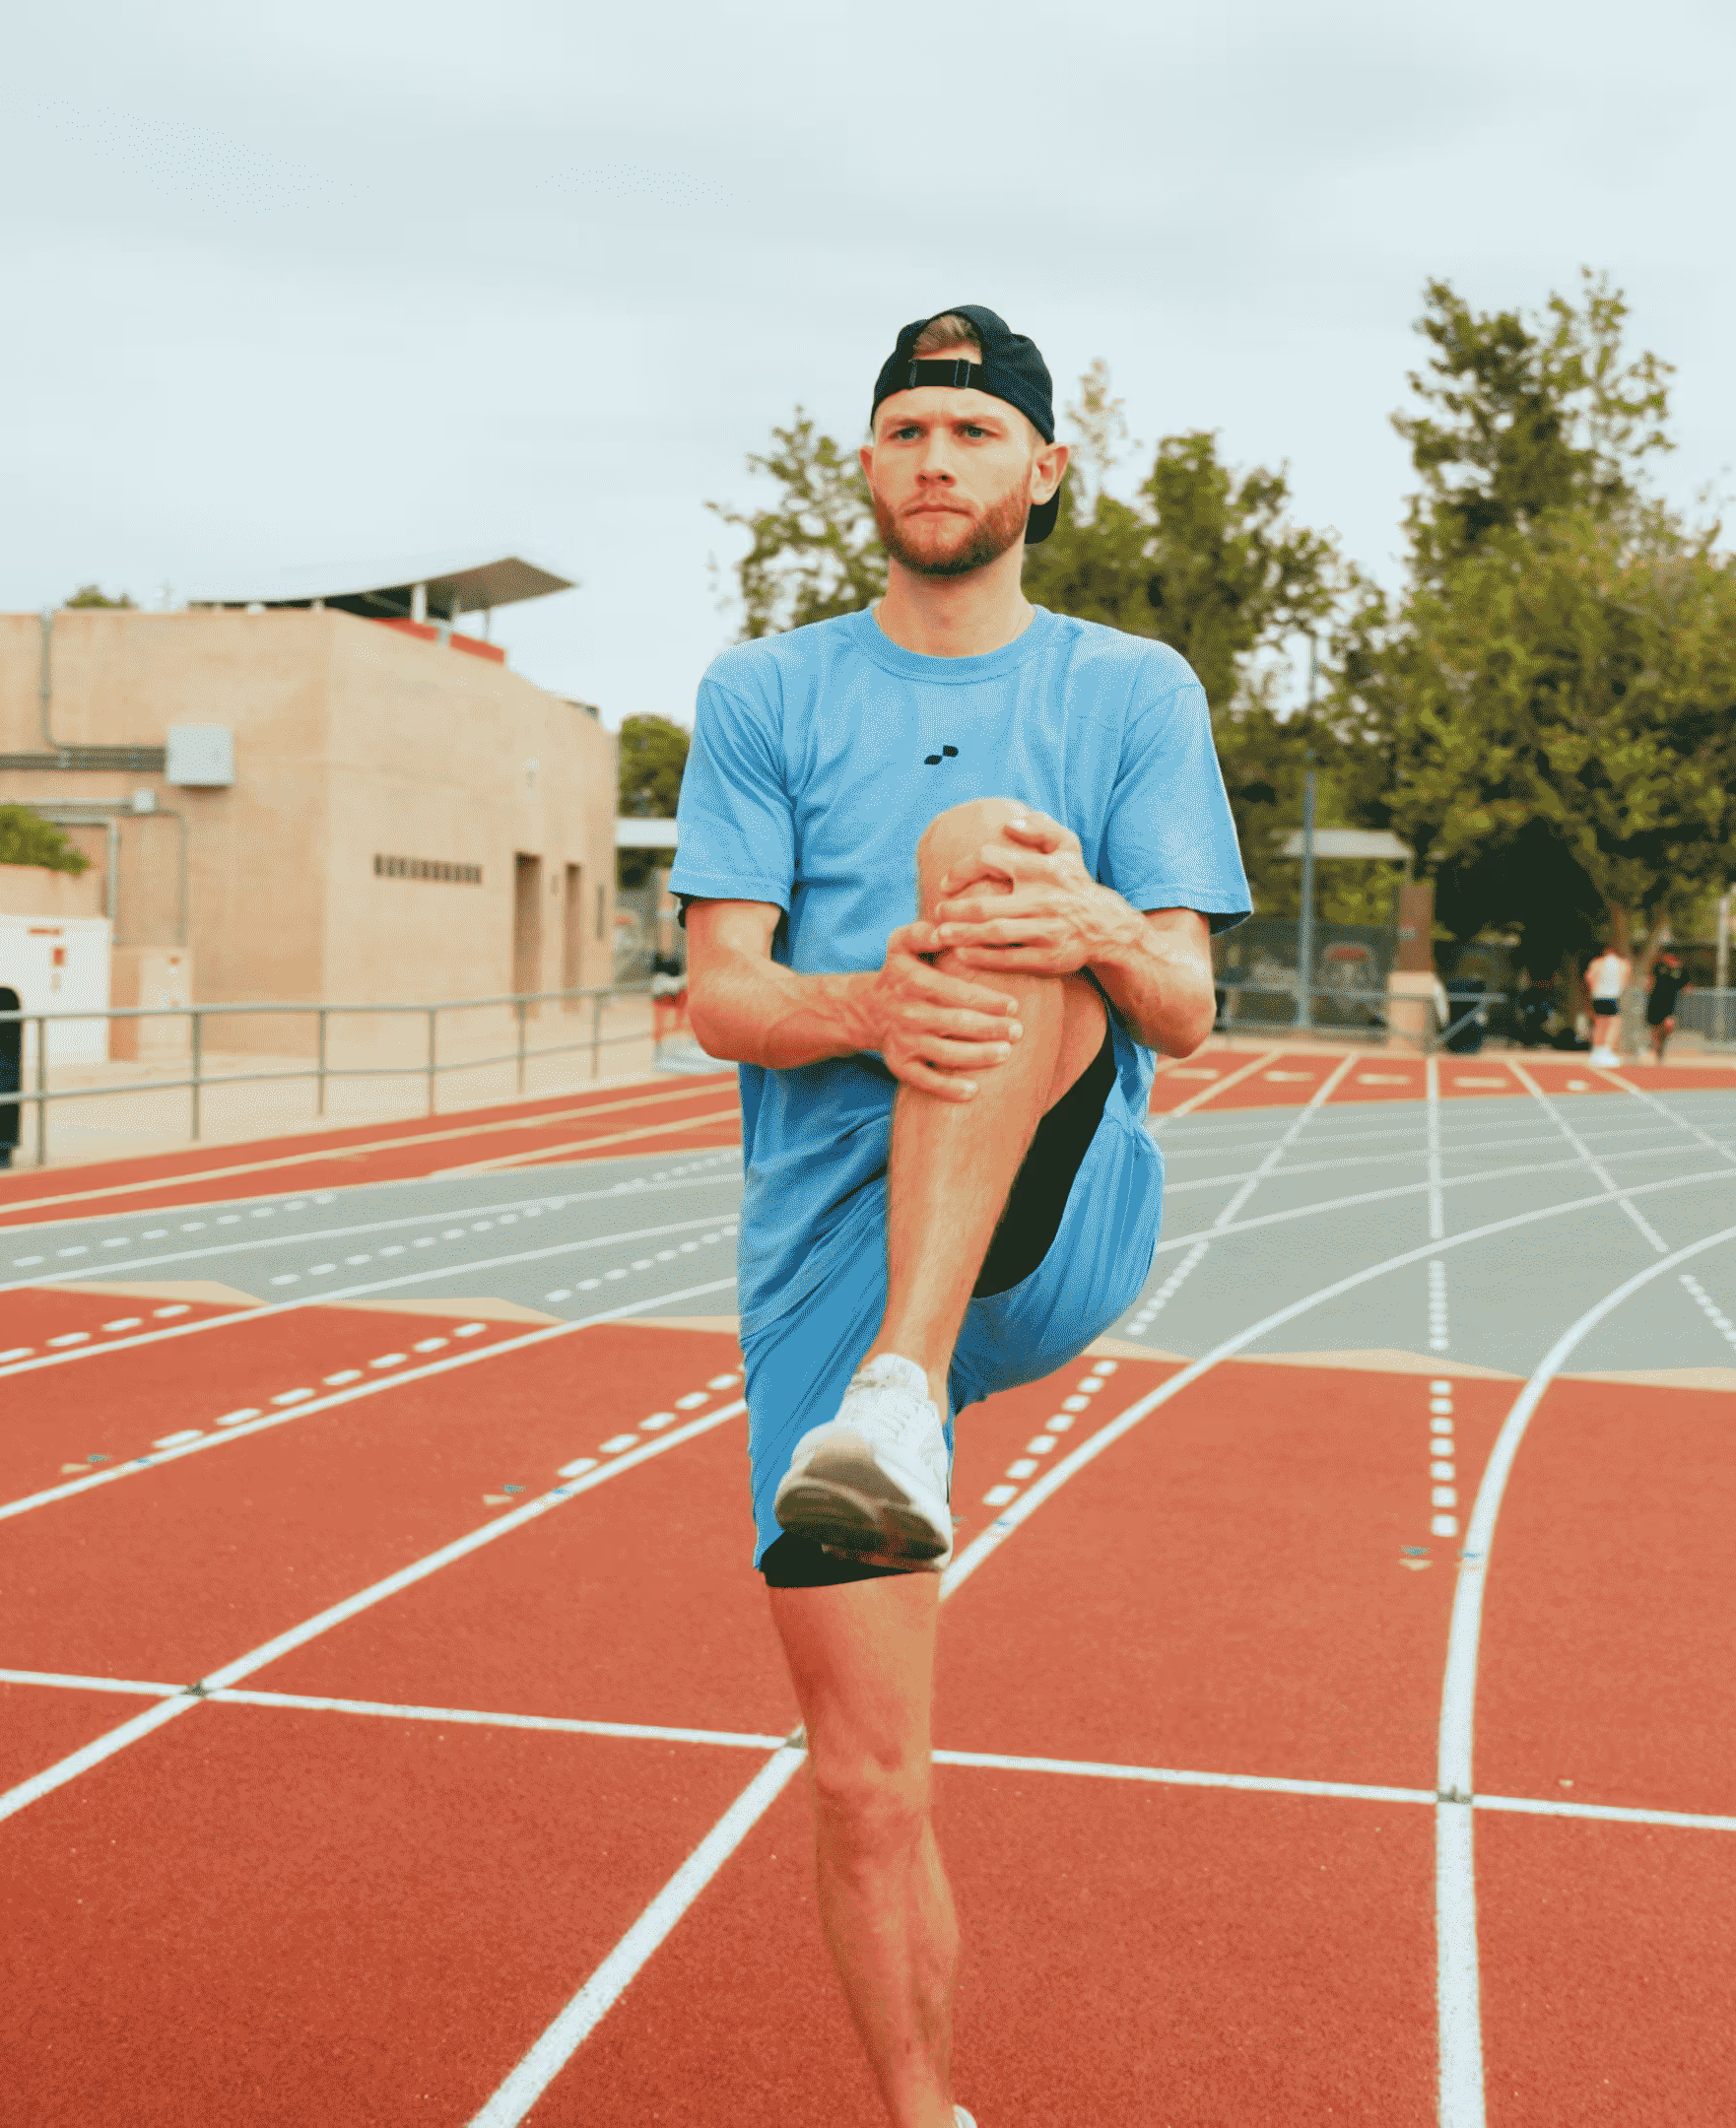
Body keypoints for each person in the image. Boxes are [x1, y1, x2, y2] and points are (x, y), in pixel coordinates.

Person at [670, 303, 1252, 2128]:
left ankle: (910, 1388)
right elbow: (724, 995)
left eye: (975, 434)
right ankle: (928, 2117)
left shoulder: (1130, 689)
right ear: (867, 464)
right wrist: (867, 1008)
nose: (939, 459)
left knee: (989, 857)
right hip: (825, 1265)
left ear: (1043, 472)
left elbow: (1186, 1002)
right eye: (909, 430)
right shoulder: (765, 695)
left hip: (1052, 1211)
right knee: (865, 1777)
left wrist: (1086, 930)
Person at [1583, 942, 1631, 1068]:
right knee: (1613, 1023)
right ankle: (1607, 1049)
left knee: (1599, 1023)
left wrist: (1593, 990)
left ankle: (1596, 1051)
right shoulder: (1623, 963)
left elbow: (1589, 977)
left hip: (1598, 996)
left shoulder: (1597, 963)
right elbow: (1625, 981)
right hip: (1612, 996)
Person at [1643, 947, 1689, 1064]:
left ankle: (1660, 1043)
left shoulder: (1680, 971)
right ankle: (1657, 1047)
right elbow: (1651, 980)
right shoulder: (1658, 967)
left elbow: (1685, 984)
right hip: (1656, 999)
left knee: (1668, 1025)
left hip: (1671, 1002)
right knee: (1655, 1026)